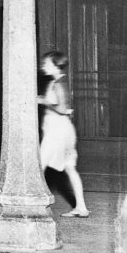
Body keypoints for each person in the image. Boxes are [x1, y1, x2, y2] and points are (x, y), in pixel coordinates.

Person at [38, 50, 89, 218]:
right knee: (69, 167)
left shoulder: (58, 83)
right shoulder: (57, 82)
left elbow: (61, 108)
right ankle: (81, 207)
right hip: (61, 129)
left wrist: (43, 101)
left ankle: (35, 206)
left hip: (57, 132)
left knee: (38, 166)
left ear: (55, 66)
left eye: (46, 63)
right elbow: (64, 107)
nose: (43, 66)